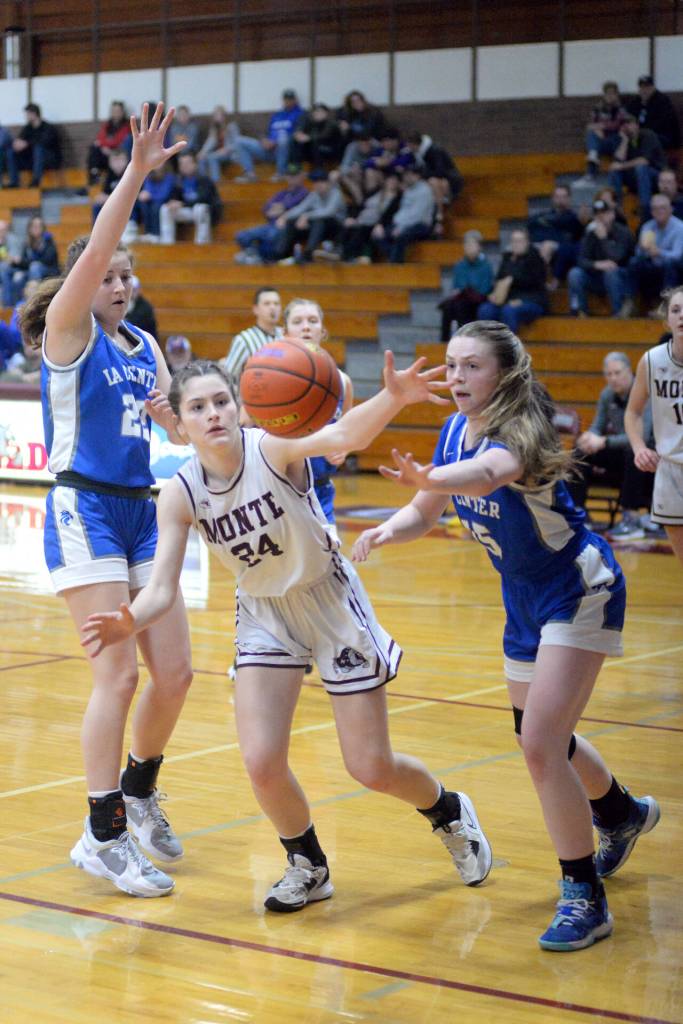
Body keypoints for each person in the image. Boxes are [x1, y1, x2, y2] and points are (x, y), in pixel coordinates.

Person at [80, 353, 494, 914]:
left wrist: (394, 396)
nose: (213, 415)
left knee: (369, 766)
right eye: (197, 408)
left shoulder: (271, 448)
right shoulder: (179, 492)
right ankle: (307, 864)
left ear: (240, 404)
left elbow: (344, 431)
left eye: (221, 401)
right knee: (261, 760)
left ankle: (447, 811)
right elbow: (160, 589)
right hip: (263, 613)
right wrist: (130, 619)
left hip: (329, 601)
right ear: (178, 423)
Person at [352, 319, 660, 951]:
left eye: (473, 366)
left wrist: (435, 479)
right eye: (452, 365)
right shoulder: (451, 429)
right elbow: (424, 511)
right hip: (522, 599)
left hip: (578, 587)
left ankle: (584, 896)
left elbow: (487, 475)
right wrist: (390, 528)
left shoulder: (524, 426)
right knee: (539, 735)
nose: (459, 377)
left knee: (541, 745)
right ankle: (621, 814)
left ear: (504, 372)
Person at [19, 102, 192, 898]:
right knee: (116, 680)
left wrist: (178, 425)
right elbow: (96, 250)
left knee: (178, 674)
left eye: (129, 276)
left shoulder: (146, 346)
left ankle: (141, 787)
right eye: (109, 274)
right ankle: (101, 832)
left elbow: (174, 436)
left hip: (142, 507)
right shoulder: (68, 328)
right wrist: (136, 173)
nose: (119, 283)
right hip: (82, 506)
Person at [567, 352, 659, 539]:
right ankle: (579, 513)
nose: (613, 378)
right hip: (622, 454)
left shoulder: (644, 392)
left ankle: (631, 519)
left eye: (617, 373)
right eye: (608, 374)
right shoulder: (607, 394)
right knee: (579, 452)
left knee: (635, 453)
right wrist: (589, 437)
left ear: (630, 371)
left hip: (652, 458)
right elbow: (598, 425)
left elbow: (642, 437)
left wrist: (604, 442)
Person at [282, 298, 353, 540]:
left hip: (321, 491)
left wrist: (343, 450)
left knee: (327, 568)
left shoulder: (341, 381)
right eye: (298, 321)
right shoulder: (270, 383)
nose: (306, 327)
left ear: (322, 331)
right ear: (285, 332)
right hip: (278, 492)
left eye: (313, 321)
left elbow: (347, 433)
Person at [625, 287, 683, 566]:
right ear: (667, 320)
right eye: (676, 310)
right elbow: (633, 412)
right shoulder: (652, 360)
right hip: (670, 469)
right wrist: (638, 447)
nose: (682, 315)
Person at [567, 199, 634, 317]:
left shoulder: (623, 232)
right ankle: (582, 312)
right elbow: (580, 260)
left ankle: (618, 312)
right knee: (575, 273)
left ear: (612, 215)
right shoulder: (591, 233)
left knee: (611, 272)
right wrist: (596, 264)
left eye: (604, 213)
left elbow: (617, 258)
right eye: (597, 215)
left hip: (622, 279)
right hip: (598, 277)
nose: (601, 217)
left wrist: (603, 239)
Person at [234, 165, 308, 265]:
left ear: (301, 176)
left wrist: (282, 209)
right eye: (290, 176)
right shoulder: (282, 193)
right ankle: (254, 255)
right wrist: (280, 209)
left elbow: (292, 207)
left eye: (295, 176)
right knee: (241, 235)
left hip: (286, 227)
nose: (292, 178)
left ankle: (256, 256)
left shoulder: (304, 193)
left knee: (271, 237)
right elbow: (266, 209)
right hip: (271, 225)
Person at [477, 228, 548, 333]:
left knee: (509, 311)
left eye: (519, 241)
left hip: (532, 300)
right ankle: (488, 345)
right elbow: (498, 280)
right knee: (485, 309)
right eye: (513, 241)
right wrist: (493, 294)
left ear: (527, 242)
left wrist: (521, 300)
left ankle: (509, 347)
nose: (516, 244)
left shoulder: (535, 259)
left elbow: (536, 285)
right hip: (507, 300)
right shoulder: (507, 259)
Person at [626, 195, 683, 315]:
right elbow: (639, 253)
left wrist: (659, 252)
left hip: (674, 268)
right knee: (634, 262)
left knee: (669, 264)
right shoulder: (648, 226)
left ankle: (665, 306)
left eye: (662, 208)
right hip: (653, 266)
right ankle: (631, 303)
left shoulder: (679, 227)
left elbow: (677, 255)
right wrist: (642, 249)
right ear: (651, 211)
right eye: (655, 209)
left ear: (670, 209)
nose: (659, 211)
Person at [230, 89, 303, 183]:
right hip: (268, 149)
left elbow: (297, 134)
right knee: (238, 140)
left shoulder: (300, 114)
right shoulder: (277, 115)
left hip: (284, 151)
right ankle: (249, 174)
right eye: (286, 99)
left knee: (282, 139)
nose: (288, 101)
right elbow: (268, 133)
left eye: (290, 99)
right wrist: (263, 140)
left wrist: (275, 142)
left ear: (295, 100)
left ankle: (281, 173)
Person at [438, 230, 494, 341]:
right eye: (467, 244)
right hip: (462, 299)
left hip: (478, 301)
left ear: (479, 247)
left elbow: (485, 289)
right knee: (448, 307)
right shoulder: (460, 265)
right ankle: (444, 342)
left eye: (472, 244)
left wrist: (469, 289)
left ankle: (463, 340)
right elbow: (457, 286)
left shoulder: (486, 266)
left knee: (461, 306)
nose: (469, 247)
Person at [373, 164, 435, 264]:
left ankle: (395, 264)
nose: (406, 177)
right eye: (406, 175)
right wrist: (393, 225)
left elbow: (417, 215)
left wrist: (401, 227)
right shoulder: (408, 190)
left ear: (417, 176)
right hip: (402, 224)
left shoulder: (425, 191)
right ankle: (393, 256)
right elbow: (402, 212)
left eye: (409, 175)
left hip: (421, 225)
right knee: (377, 234)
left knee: (402, 236)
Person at [608, 113, 665, 219]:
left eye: (629, 123)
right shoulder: (624, 139)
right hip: (636, 177)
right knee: (614, 171)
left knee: (640, 168)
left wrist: (621, 166)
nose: (626, 126)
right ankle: (617, 206)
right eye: (624, 124)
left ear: (637, 125)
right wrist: (624, 140)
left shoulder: (648, 135)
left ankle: (645, 208)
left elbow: (644, 161)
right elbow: (617, 161)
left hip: (656, 176)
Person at [160, 151, 222, 245]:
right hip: (187, 211)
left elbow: (204, 199)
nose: (185, 166)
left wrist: (182, 204)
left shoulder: (205, 180)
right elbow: (173, 197)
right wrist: (172, 202)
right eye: (182, 163)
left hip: (205, 213)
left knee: (201, 208)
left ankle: (202, 244)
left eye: (187, 163)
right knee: (165, 209)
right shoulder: (178, 181)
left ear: (195, 164)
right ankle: (167, 244)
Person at [527, 185, 584, 287]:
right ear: (553, 199)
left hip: (562, 248)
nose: (560, 200)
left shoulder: (574, 218)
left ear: (569, 199)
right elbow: (531, 223)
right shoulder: (544, 215)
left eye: (563, 196)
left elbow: (572, 229)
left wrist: (547, 223)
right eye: (557, 197)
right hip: (539, 243)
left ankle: (537, 283)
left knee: (547, 245)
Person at [224, 287, 282, 383]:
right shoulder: (244, 340)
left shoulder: (286, 335)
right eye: (267, 304)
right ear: (256, 309)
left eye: (276, 304)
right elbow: (228, 376)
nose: (273, 307)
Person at [576, 82, 629, 185]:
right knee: (591, 134)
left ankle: (615, 175)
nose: (610, 96)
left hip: (616, 141)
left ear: (617, 95)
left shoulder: (621, 108)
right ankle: (590, 173)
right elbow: (590, 125)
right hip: (602, 140)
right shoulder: (598, 107)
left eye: (613, 93)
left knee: (615, 137)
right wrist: (596, 129)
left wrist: (601, 126)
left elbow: (617, 125)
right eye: (607, 93)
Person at [1, 215, 60, 308]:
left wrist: (27, 262)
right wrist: (18, 261)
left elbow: (47, 260)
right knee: (15, 276)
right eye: (34, 226)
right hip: (31, 270)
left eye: (38, 226)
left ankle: (33, 303)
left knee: (35, 267)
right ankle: (11, 306)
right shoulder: (27, 242)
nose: (36, 229)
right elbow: (25, 264)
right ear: (29, 228)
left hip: (48, 271)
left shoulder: (48, 240)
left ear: (42, 228)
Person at [8, 103, 62, 187]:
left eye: (27, 114)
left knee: (38, 149)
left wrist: (27, 143)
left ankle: (36, 181)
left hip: (49, 160)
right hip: (33, 160)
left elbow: (43, 142)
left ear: (34, 114)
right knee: (11, 152)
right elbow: (21, 139)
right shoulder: (28, 128)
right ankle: (14, 182)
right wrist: (17, 144)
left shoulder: (48, 128)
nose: (26, 116)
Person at [626, 75, 681, 152]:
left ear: (653, 88)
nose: (644, 90)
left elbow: (661, 124)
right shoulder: (636, 101)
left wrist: (640, 131)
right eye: (642, 87)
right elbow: (629, 116)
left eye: (647, 87)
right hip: (640, 135)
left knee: (646, 139)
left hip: (664, 136)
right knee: (623, 138)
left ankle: (642, 161)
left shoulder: (663, 101)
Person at [87, 101, 132, 185]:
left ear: (122, 112)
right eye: (113, 111)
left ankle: (99, 178)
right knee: (94, 148)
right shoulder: (107, 125)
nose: (115, 113)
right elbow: (100, 138)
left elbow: (119, 141)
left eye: (118, 111)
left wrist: (108, 147)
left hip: (118, 154)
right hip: (106, 154)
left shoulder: (126, 126)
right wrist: (104, 146)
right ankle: (94, 174)